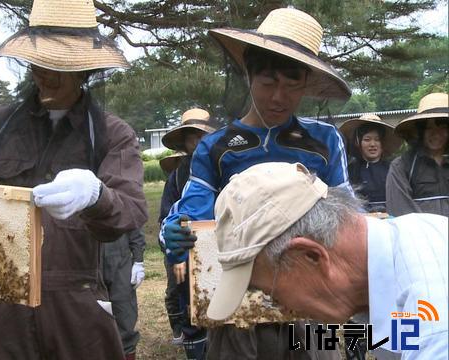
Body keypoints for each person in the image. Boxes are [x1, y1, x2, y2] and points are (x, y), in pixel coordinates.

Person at [0, 0, 148, 358]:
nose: (47, 75)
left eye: (62, 66)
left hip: (77, 299)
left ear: (85, 69)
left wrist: (95, 195)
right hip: (1, 299)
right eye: (41, 63)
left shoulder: (111, 134)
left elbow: (131, 210)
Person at [162, 8, 352, 360]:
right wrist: (176, 232)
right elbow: (194, 213)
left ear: (306, 84)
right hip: (237, 306)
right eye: (268, 83)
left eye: (292, 85)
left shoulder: (325, 141)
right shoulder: (216, 147)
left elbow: (347, 218)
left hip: (310, 310)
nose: (279, 97)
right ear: (248, 75)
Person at [207, 161, 448, 359]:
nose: (281, 308)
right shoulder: (411, 239)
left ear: (311, 256)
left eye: (272, 294)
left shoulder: (434, 330)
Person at [158, 108, 216, 358]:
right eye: (192, 136)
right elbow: (164, 219)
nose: (198, 141)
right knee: (190, 307)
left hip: (224, 251)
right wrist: (169, 236)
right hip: (190, 253)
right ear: (185, 141)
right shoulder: (178, 175)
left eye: (202, 135)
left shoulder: (226, 164)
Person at [387, 92, 449, 216]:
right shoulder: (402, 165)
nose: (435, 134)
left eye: (442, 127)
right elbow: (401, 209)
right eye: (429, 128)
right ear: (420, 131)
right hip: (420, 234)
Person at [339, 114, 401, 213]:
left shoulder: (394, 168)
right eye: (367, 139)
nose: (372, 144)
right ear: (358, 142)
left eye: (377, 140)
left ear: (383, 143)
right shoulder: (349, 170)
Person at [101, 228, 145, 360]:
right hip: (87, 262)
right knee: (89, 322)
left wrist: (138, 260)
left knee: (125, 317)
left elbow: (133, 223)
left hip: (120, 261)